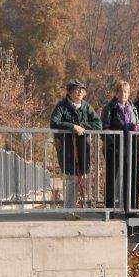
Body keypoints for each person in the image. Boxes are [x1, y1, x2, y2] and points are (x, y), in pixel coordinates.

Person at [50, 79, 102, 208]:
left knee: (82, 178)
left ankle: (80, 207)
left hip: (83, 148)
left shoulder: (86, 107)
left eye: (82, 90)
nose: (79, 92)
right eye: (76, 89)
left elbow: (98, 124)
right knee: (72, 179)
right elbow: (54, 122)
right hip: (67, 149)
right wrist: (72, 126)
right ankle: (69, 209)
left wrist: (82, 126)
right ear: (70, 91)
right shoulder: (62, 106)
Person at [101, 80, 139, 209]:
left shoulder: (133, 108)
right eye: (121, 91)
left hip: (130, 148)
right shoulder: (109, 107)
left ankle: (129, 208)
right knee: (112, 178)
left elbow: (137, 127)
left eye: (126, 91)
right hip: (114, 148)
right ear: (116, 93)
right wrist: (114, 145)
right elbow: (104, 129)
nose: (124, 94)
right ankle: (109, 208)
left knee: (129, 178)